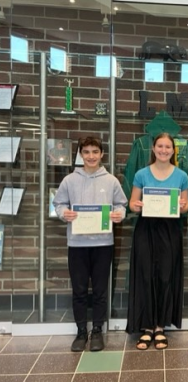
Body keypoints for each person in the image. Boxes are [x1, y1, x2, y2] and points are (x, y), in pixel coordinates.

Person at [53, 136, 127, 352]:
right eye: (86, 152)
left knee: (100, 289)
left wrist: (118, 214)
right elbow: (58, 203)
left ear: (101, 154)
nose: (91, 156)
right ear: (81, 154)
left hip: (103, 244)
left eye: (95, 152)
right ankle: (80, 332)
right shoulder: (69, 180)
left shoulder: (111, 180)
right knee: (79, 289)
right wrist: (63, 213)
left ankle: (97, 330)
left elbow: (121, 204)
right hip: (77, 244)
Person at [126, 132, 188, 350]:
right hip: (146, 229)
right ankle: (146, 327)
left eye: (168, 147)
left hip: (170, 230)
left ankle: (160, 326)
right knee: (145, 275)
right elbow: (132, 202)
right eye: (160, 146)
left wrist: (182, 206)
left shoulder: (181, 176)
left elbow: (186, 206)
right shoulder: (142, 174)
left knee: (165, 277)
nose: (163, 150)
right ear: (153, 149)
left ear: (173, 150)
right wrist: (136, 206)